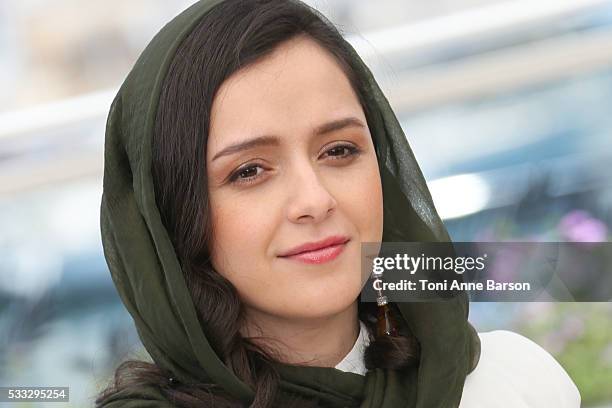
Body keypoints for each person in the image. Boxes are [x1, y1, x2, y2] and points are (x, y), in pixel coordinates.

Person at [96, 0, 581, 407]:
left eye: (339, 150)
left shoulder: (515, 384)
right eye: (249, 171)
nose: (315, 200)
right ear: (173, 217)